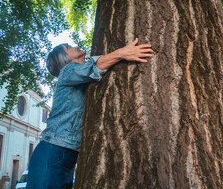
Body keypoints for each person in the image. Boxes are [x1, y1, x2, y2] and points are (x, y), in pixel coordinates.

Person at [27, 38, 153, 189]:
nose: (75, 46)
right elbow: (92, 67)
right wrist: (122, 53)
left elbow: (95, 63)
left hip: (64, 154)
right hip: (53, 151)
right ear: (64, 58)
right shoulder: (67, 70)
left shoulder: (77, 76)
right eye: (68, 47)